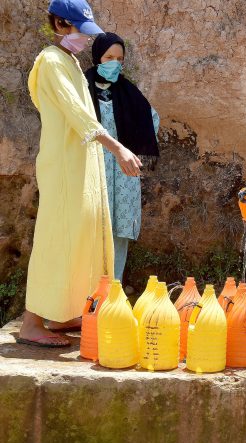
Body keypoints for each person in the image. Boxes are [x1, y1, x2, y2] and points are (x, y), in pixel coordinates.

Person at [18, 0, 142, 348]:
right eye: (79, 32)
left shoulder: (68, 61)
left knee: (79, 236)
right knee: (55, 238)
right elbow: (78, 115)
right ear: (59, 24)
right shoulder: (51, 62)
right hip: (62, 165)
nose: (86, 40)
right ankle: (31, 323)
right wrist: (117, 148)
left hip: (79, 162)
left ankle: (61, 314)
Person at [85, 32, 160, 281]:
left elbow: (152, 120)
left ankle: (113, 292)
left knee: (119, 231)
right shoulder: (82, 89)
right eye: (109, 57)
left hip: (124, 172)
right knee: (91, 229)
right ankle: (87, 295)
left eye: (119, 58)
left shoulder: (129, 92)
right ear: (98, 57)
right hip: (92, 169)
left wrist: (134, 143)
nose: (114, 63)